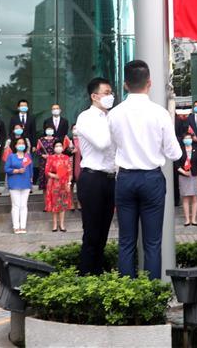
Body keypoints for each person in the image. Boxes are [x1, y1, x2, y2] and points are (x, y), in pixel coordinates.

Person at [108, 60, 183, 279]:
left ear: (125, 85)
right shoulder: (159, 114)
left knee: (126, 242)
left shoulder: (115, 113)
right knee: (152, 243)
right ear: (149, 83)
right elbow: (175, 154)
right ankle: (151, 298)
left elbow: (112, 149)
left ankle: (127, 297)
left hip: (125, 178)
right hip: (152, 179)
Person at [74, 77, 117, 276]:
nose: (110, 97)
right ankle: (86, 275)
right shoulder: (86, 117)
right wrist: (116, 126)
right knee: (91, 232)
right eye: (106, 93)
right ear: (94, 96)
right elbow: (102, 142)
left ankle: (98, 273)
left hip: (110, 179)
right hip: (92, 179)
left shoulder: (110, 117)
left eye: (111, 93)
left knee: (103, 232)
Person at [4, 138, 32, 234]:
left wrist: (30, 180)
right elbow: (6, 169)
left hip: (25, 183)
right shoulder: (11, 156)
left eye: (23, 143)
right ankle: (16, 226)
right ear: (15, 146)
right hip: (14, 183)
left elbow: (31, 170)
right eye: (19, 143)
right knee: (16, 205)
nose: (21, 145)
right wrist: (16, 171)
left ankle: (23, 226)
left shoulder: (28, 156)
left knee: (24, 205)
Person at [45, 140, 73, 232]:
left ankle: (62, 224)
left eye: (60, 145)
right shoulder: (51, 158)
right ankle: (54, 224)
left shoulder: (66, 158)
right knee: (54, 203)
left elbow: (69, 172)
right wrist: (54, 176)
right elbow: (47, 171)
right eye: (56, 146)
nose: (58, 147)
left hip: (64, 183)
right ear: (54, 148)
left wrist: (69, 183)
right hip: (53, 183)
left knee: (62, 204)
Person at [178, 134, 197, 226]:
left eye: (189, 138)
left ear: (192, 139)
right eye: (186, 138)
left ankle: (194, 219)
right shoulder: (180, 150)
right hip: (184, 176)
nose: (187, 140)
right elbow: (176, 165)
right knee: (185, 198)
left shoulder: (196, 150)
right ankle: (187, 220)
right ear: (183, 140)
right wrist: (184, 172)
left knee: (195, 198)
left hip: (194, 175)